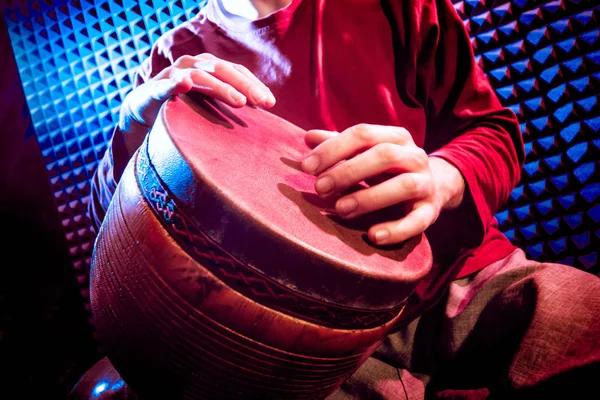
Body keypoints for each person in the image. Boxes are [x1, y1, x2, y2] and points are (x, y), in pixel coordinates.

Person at [88, 0, 600, 398]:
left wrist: (441, 177)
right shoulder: (174, 55)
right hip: (295, 343)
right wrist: (131, 130)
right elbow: (111, 224)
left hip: (462, 280)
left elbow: (494, 133)